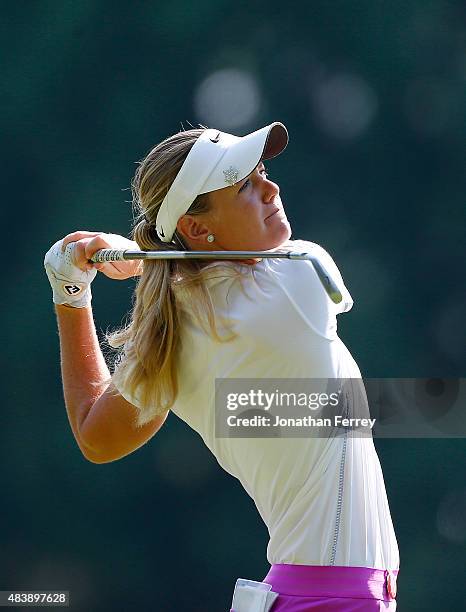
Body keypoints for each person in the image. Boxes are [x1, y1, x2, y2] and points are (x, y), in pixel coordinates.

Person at [44, 122, 400, 611]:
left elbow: (95, 434)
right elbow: (299, 263)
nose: (271, 189)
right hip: (334, 599)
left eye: (263, 174)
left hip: (305, 593)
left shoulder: (167, 338)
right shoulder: (300, 280)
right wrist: (151, 257)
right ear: (194, 228)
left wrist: (71, 292)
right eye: (246, 186)